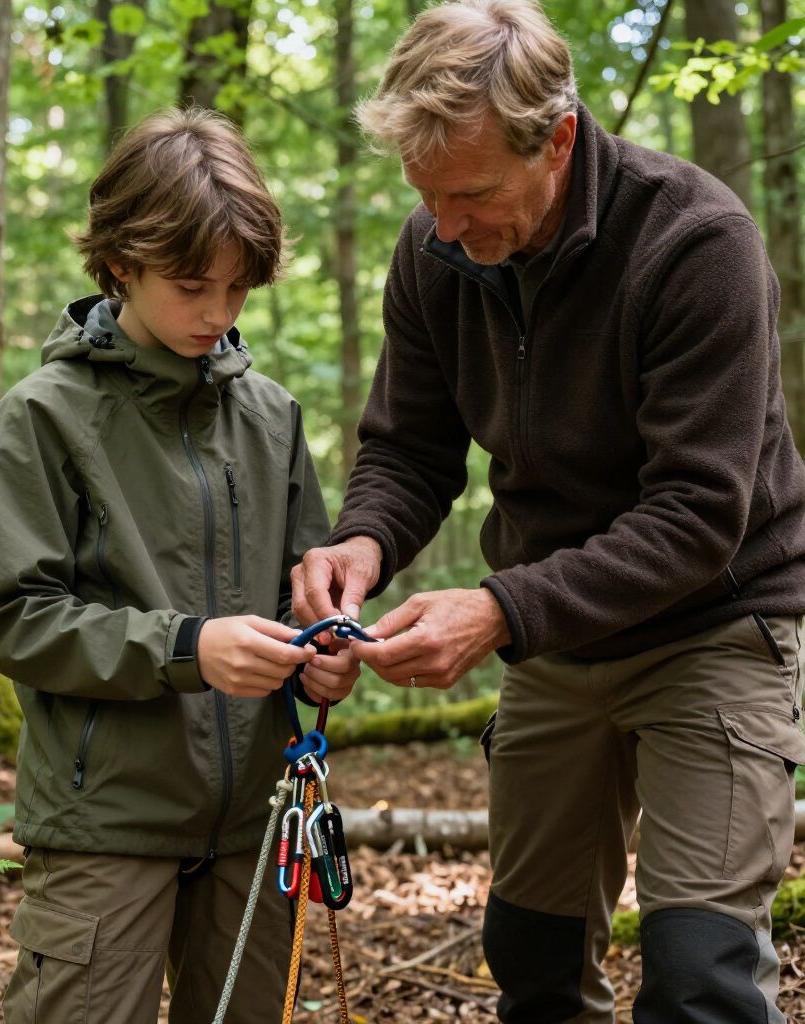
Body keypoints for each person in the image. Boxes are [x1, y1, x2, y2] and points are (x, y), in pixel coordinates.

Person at [291, 1, 805, 1021]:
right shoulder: (435, 251)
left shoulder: (695, 241)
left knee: (698, 970)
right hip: (554, 644)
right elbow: (408, 446)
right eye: (425, 194)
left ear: (557, 138)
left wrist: (495, 610)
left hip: (713, 626)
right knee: (530, 958)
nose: (445, 225)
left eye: (471, 192)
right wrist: (360, 540)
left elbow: (700, 513)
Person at [0, 107, 359, 1024]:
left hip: (257, 825)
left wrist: (326, 656)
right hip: (107, 824)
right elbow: (14, 617)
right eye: (191, 285)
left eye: (237, 288)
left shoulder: (273, 417)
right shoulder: (43, 418)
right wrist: (188, 649)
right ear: (119, 262)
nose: (217, 313)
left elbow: (295, 594)